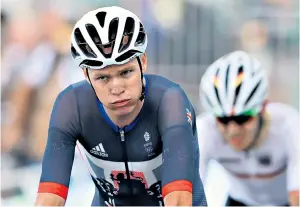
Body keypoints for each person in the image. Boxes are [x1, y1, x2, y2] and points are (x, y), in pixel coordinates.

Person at [35, 6, 207, 206]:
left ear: (143, 62)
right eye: (102, 77)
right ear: (86, 75)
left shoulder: (170, 101)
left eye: (126, 73)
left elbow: (179, 201)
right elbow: (49, 198)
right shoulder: (71, 106)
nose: (116, 88)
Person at [197, 50, 299, 206]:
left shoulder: (289, 126)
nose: (233, 130)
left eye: (242, 118)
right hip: (240, 201)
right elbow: (185, 195)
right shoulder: (205, 130)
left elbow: (297, 195)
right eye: (223, 119)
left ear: (263, 109)